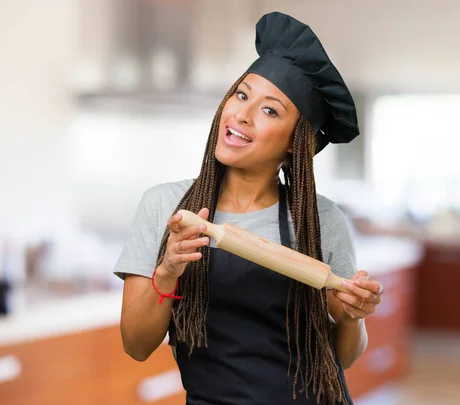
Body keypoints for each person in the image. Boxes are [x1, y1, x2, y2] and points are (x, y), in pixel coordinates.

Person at [114, 11, 384, 405]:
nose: (240, 114)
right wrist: (169, 270)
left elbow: (343, 355)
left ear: (295, 142)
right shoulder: (166, 207)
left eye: (269, 109)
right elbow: (136, 345)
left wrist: (354, 315)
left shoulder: (320, 220)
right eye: (242, 94)